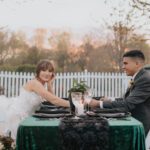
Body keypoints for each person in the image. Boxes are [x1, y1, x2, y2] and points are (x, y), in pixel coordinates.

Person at [0, 59, 69, 139]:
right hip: (18, 116)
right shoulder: (35, 83)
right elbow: (54, 100)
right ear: (38, 71)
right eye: (44, 70)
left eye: (50, 71)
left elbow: (52, 100)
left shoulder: (41, 85)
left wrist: (49, 84)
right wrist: (73, 104)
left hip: (27, 117)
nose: (47, 73)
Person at [90, 50, 150, 136]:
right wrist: (110, 99)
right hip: (131, 120)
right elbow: (129, 99)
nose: (123, 67)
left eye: (126, 63)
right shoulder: (139, 77)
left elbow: (127, 104)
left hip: (137, 124)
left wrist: (98, 103)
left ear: (137, 64)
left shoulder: (145, 79)